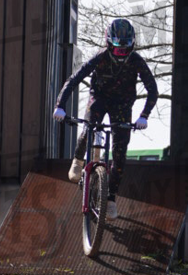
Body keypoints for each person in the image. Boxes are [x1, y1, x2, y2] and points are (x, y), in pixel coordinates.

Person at [53, 18, 158, 219]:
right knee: (89, 125)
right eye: (117, 49)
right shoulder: (100, 57)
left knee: (119, 153)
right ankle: (78, 159)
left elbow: (153, 90)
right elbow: (74, 79)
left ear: (132, 46)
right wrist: (60, 106)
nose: (121, 54)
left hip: (123, 105)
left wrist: (143, 116)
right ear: (109, 44)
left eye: (125, 50)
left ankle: (110, 198)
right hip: (99, 98)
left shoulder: (136, 61)